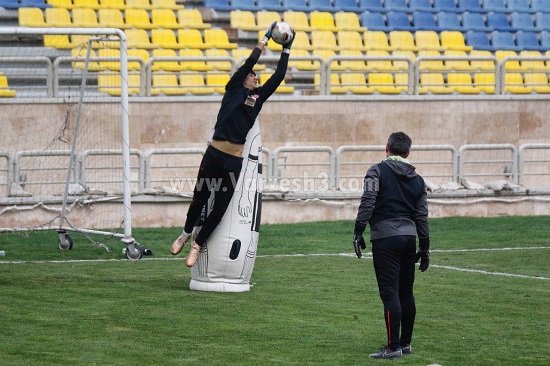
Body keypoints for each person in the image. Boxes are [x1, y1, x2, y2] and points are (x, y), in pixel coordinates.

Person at [171, 22, 295, 268]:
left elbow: (279, 77)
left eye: (256, 76)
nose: (254, 75)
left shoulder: (257, 98)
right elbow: (249, 63)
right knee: (199, 198)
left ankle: (198, 245)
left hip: (233, 161)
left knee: (221, 207)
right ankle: (185, 234)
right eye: (251, 74)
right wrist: (265, 39)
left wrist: (286, 50)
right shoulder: (232, 89)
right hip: (213, 155)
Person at [353, 132, 430, 359]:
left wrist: (358, 230)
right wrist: (425, 246)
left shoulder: (375, 171)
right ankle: (405, 344)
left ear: (386, 147)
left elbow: (368, 201)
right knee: (406, 293)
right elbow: (421, 217)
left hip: (386, 239)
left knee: (390, 294)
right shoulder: (418, 180)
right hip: (409, 238)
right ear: (408, 152)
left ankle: (393, 347)